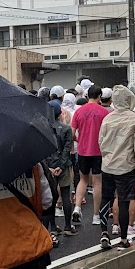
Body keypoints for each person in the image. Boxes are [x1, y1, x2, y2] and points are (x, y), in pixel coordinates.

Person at [97, 86, 135, 251]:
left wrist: (106, 156)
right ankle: (123, 238)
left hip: (108, 164)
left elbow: (100, 141)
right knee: (124, 202)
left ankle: (104, 233)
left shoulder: (108, 119)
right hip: (126, 166)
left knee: (106, 198)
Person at [71, 85, 110, 226]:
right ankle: (96, 215)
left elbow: (72, 132)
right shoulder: (104, 112)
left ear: (87, 96)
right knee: (97, 182)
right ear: (100, 96)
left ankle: (77, 207)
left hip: (82, 150)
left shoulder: (79, 112)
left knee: (83, 180)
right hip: (99, 151)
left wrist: (78, 140)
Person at [44, 103, 76, 240]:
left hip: (49, 167)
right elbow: (67, 149)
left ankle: (53, 227)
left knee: (50, 196)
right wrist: (62, 166)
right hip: (63, 166)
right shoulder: (66, 129)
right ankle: (68, 226)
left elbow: (42, 150)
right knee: (65, 194)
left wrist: (48, 166)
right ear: (59, 113)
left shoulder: (43, 128)